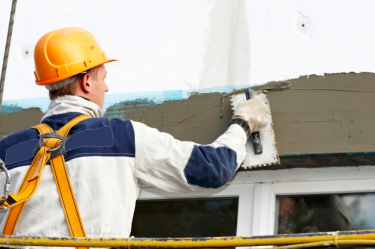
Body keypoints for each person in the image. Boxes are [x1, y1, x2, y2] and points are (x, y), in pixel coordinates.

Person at [0, 27, 268, 239]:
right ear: (86, 81)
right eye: (103, 77)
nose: (106, 88)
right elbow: (213, 168)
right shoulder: (122, 138)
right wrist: (243, 123)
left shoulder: (7, 151)